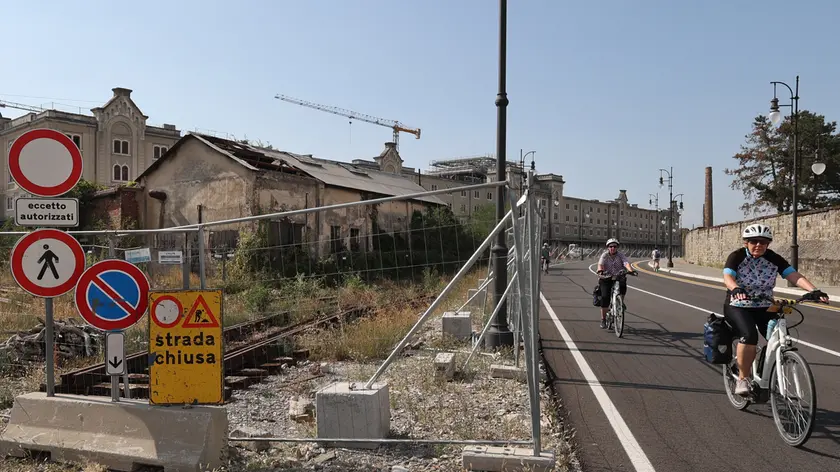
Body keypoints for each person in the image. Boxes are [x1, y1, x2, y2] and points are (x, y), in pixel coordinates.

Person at [722, 223, 829, 396]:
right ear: (746, 243)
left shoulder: (773, 257)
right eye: (754, 241)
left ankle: (769, 371)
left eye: (763, 242)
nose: (758, 245)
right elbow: (728, 276)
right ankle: (742, 379)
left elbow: (793, 275)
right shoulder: (737, 256)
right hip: (738, 305)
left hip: (764, 305)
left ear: (768, 244)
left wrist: (813, 290)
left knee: (779, 338)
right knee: (749, 337)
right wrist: (735, 288)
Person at [596, 239, 637, 329]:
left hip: (618, 276)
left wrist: (631, 270)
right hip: (606, 277)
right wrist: (600, 271)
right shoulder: (605, 255)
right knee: (605, 298)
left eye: (614, 246)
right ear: (608, 248)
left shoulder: (620, 255)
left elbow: (626, 263)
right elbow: (600, 264)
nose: (613, 248)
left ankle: (620, 301)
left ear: (617, 247)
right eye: (611, 246)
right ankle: (603, 319)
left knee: (622, 285)